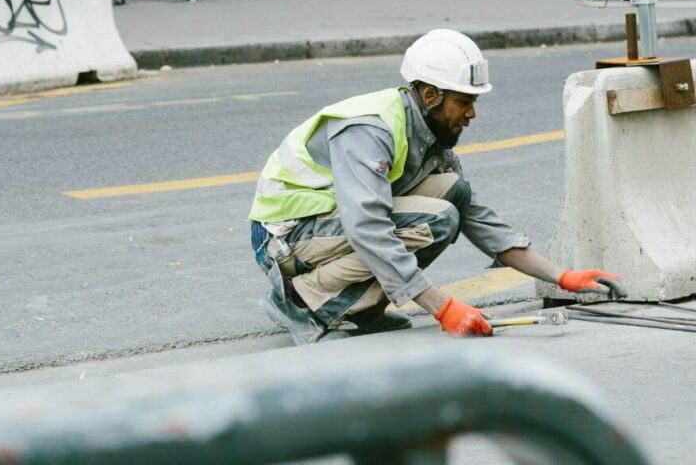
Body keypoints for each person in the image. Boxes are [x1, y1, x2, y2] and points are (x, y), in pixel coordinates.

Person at [248, 29, 621, 344]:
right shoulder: (371, 130)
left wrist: (560, 276)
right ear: (430, 96)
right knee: (437, 219)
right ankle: (301, 303)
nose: (472, 114)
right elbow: (368, 228)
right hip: (285, 238)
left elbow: (478, 218)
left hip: (325, 229)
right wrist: (441, 307)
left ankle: (359, 309)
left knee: (453, 193)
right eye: (464, 102)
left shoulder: (429, 135)